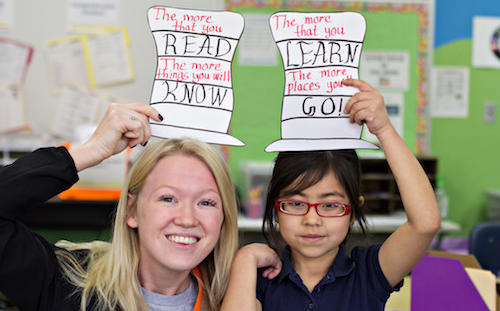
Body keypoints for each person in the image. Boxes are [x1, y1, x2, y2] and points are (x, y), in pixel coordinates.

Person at [221, 79, 442, 311]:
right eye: (296, 203)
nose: (312, 220)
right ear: (276, 209)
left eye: (330, 205)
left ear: (354, 212)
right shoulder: (258, 279)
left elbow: (425, 223)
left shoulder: (370, 273)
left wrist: (384, 130)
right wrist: (244, 258)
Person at [0, 103, 239, 311]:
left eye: (206, 202)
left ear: (224, 217)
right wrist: (91, 151)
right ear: (131, 211)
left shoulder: (240, 298)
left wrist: (247, 263)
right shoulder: (69, 284)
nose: (187, 219)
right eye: (168, 198)